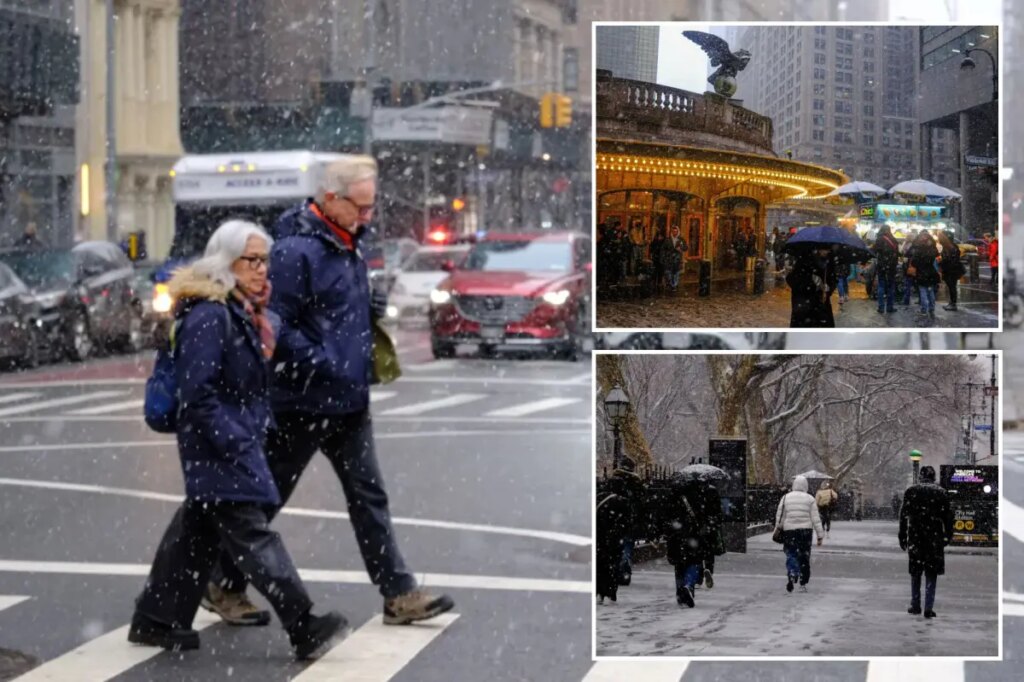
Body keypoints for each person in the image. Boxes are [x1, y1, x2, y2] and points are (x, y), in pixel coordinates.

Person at [203, 157, 454, 628]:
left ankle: (398, 592)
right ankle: (221, 581)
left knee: (368, 496)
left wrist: (366, 308)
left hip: (348, 400)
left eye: (371, 206)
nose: (367, 215)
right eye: (360, 206)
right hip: (302, 401)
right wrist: (320, 361)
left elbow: (332, 314)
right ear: (331, 198)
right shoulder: (297, 252)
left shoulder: (347, 243)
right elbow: (274, 321)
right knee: (268, 498)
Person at [128, 220, 346, 659]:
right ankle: (303, 624)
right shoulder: (210, 315)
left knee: (195, 533)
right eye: (252, 260)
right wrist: (234, 441)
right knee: (253, 535)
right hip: (219, 445)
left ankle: (156, 618)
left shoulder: (241, 311)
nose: (262, 269)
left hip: (228, 440)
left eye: (265, 260)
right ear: (226, 262)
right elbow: (199, 394)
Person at [898, 464, 954, 618]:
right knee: (931, 573)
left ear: (920, 477)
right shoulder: (941, 493)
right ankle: (929, 607)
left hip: (916, 535)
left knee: (915, 572)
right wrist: (947, 536)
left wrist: (902, 536)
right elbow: (948, 517)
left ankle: (915, 604)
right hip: (934, 537)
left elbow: (903, 516)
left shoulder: (911, 491)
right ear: (933, 477)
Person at [665, 477, 713, 608]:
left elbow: (665, 516)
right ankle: (689, 586)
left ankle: (680, 593)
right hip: (693, 535)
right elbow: (704, 515)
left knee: (679, 565)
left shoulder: (672, 496)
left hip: (676, 536)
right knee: (694, 562)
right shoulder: (698, 496)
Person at [774, 475, 825, 593]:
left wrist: (777, 528)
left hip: (789, 530)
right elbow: (816, 518)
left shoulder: (786, 497)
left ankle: (792, 572)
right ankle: (803, 582)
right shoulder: (810, 499)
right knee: (804, 556)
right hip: (805, 531)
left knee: (791, 553)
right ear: (806, 486)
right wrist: (820, 535)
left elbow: (780, 516)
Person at [596, 478, 632, 604]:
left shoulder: (598, 498)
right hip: (614, 540)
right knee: (613, 566)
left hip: (599, 538)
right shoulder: (622, 502)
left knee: (600, 565)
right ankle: (610, 593)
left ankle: (599, 592)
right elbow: (626, 523)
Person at [786, 248, 837, 327]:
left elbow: (833, 279)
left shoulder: (829, 262)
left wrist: (829, 288)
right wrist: (811, 279)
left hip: (822, 306)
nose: (826, 252)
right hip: (804, 306)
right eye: (824, 249)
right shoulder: (804, 260)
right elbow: (792, 280)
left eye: (828, 250)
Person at [908, 231, 940, 319]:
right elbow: (936, 256)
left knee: (923, 291)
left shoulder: (919, 249)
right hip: (931, 272)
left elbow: (914, 262)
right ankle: (931, 308)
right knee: (931, 291)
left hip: (921, 273)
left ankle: (924, 309)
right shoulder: (932, 248)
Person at [872, 225, 900, 314]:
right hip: (891, 267)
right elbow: (897, 253)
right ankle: (890, 307)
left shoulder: (879, 239)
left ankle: (881, 307)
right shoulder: (893, 239)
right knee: (891, 287)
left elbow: (873, 251)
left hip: (881, 266)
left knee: (881, 286)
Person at [936, 232, 965, 312]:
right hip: (951, 270)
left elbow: (949, 260)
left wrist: (941, 262)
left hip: (951, 271)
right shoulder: (951, 247)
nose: (939, 239)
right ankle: (952, 303)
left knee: (952, 287)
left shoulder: (950, 247)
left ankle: (953, 304)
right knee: (952, 287)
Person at [663, 226, 687, 291]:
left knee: (676, 272)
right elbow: (663, 249)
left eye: (676, 231)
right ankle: (670, 284)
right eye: (673, 231)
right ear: (671, 232)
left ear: (678, 232)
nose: (675, 233)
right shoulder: (668, 240)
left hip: (677, 259)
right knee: (669, 272)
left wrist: (681, 248)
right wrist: (665, 257)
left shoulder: (681, 239)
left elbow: (686, 247)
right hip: (669, 259)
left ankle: (674, 285)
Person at [649, 227, 667, 292]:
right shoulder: (655, 241)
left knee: (660, 272)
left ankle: (659, 283)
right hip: (656, 258)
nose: (659, 237)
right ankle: (655, 283)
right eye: (659, 236)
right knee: (655, 271)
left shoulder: (664, 241)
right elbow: (651, 248)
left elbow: (666, 250)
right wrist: (652, 253)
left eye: (660, 236)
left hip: (661, 259)